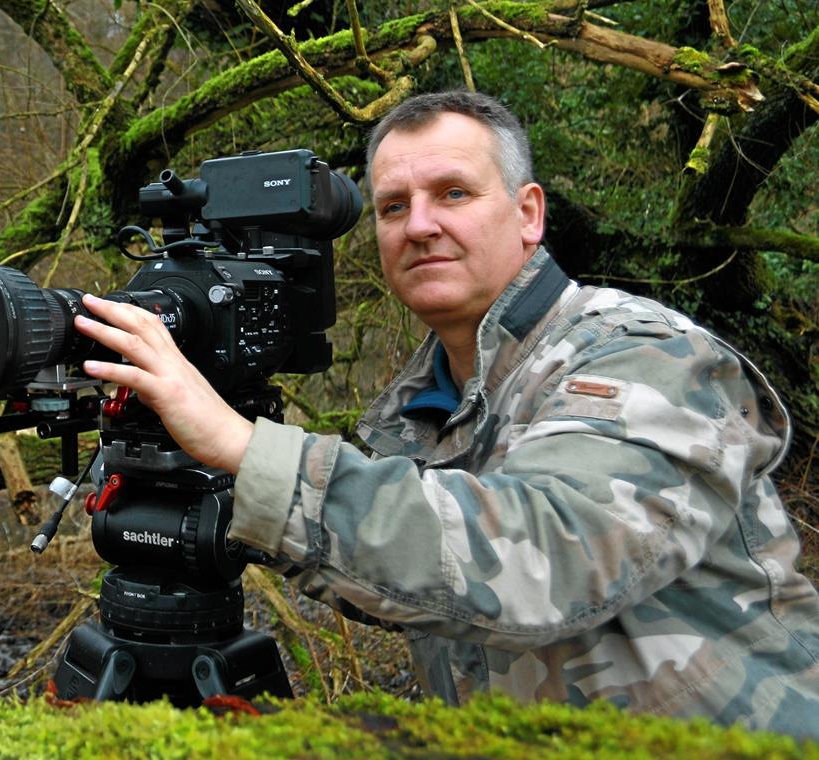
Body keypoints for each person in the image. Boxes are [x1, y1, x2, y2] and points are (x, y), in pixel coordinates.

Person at [71, 90, 819, 737]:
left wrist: (243, 447)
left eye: (453, 193)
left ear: (529, 215)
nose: (418, 225)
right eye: (394, 206)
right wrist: (189, 478)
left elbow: (545, 560)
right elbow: (414, 580)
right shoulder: (419, 409)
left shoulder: (645, 355)